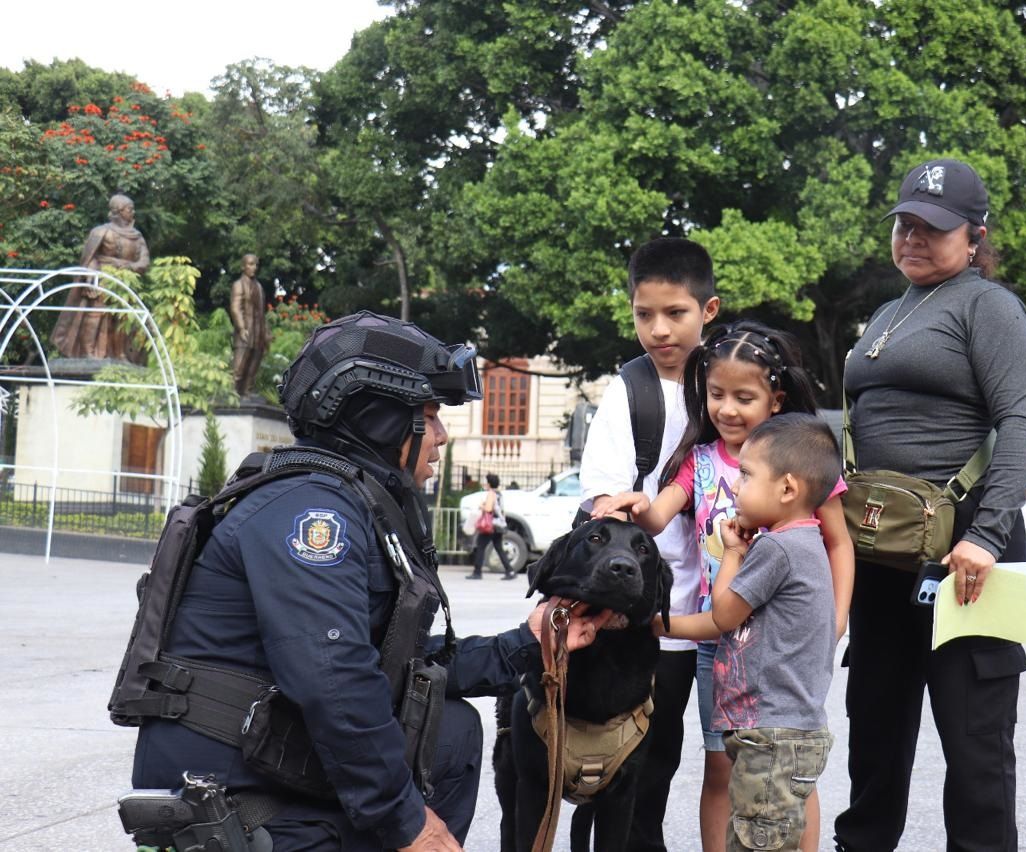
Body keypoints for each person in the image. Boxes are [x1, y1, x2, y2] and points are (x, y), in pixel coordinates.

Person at [128, 312, 615, 851]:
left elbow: (396, 669)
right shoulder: (312, 515)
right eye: (429, 416)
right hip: (236, 802)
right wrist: (410, 824)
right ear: (378, 422)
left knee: (451, 730)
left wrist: (529, 642)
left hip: (274, 764)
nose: (441, 436)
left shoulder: (345, 501)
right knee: (433, 748)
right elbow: (334, 679)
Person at [834, 158, 1026, 852]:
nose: (913, 238)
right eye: (905, 225)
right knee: (873, 728)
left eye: (934, 228)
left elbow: (1020, 421)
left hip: (968, 556)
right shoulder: (888, 312)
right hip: (882, 551)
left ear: (975, 237)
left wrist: (987, 535)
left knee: (975, 740)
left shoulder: (990, 306)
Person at [594, 321, 854, 852]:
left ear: (776, 399)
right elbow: (659, 516)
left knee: (790, 769)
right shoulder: (702, 460)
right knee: (724, 765)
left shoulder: (798, 464)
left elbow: (839, 543)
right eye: (716, 394)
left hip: (782, 644)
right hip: (720, 641)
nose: (727, 409)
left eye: (744, 397)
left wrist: (838, 617)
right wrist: (637, 504)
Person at [578, 236, 720, 851]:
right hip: (637, 612)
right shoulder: (629, 390)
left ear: (708, 310)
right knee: (617, 754)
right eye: (644, 314)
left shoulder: (728, 384)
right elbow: (602, 503)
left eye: (675, 313)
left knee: (664, 751)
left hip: (709, 608)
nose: (658, 329)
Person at [656, 413, 840, 852]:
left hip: (769, 735)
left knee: (756, 841)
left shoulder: (775, 548)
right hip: (790, 732)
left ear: (788, 489)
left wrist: (734, 553)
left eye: (746, 475)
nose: (735, 487)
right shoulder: (807, 542)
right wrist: (659, 626)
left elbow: (722, 614)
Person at [52, 193, 150, 362]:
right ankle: (88, 352)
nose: (133, 212)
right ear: (119, 211)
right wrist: (90, 273)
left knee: (122, 318)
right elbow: (89, 258)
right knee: (94, 315)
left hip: (126, 283)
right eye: (129, 209)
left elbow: (144, 262)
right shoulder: (101, 232)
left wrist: (125, 266)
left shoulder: (137, 236)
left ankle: (120, 354)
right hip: (101, 280)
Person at [230, 253, 272, 397]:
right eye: (250, 264)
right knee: (240, 364)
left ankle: (247, 390)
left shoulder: (259, 287)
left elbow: (261, 312)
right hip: (245, 331)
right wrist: (241, 328)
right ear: (243, 266)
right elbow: (236, 308)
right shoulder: (238, 285)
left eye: (255, 265)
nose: (254, 267)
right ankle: (233, 392)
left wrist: (266, 332)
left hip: (258, 332)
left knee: (254, 364)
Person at [468, 472, 516, 580]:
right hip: (499, 525)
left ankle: (477, 572)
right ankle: (510, 571)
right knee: (499, 548)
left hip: (491, 525)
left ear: (489, 483)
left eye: (486, 482)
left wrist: (482, 506)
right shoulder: (499, 494)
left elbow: (489, 509)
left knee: (480, 546)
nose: (485, 484)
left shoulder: (491, 493)